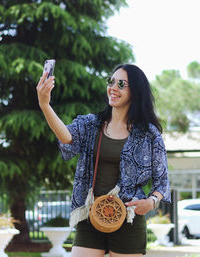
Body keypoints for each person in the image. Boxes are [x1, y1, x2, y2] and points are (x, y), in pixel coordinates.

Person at [36, 63, 171, 257]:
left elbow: (162, 181)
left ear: (136, 92)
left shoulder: (149, 134)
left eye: (121, 84)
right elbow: (66, 136)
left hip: (129, 219)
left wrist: (151, 202)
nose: (113, 87)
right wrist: (44, 105)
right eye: (111, 81)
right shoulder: (92, 124)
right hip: (91, 215)